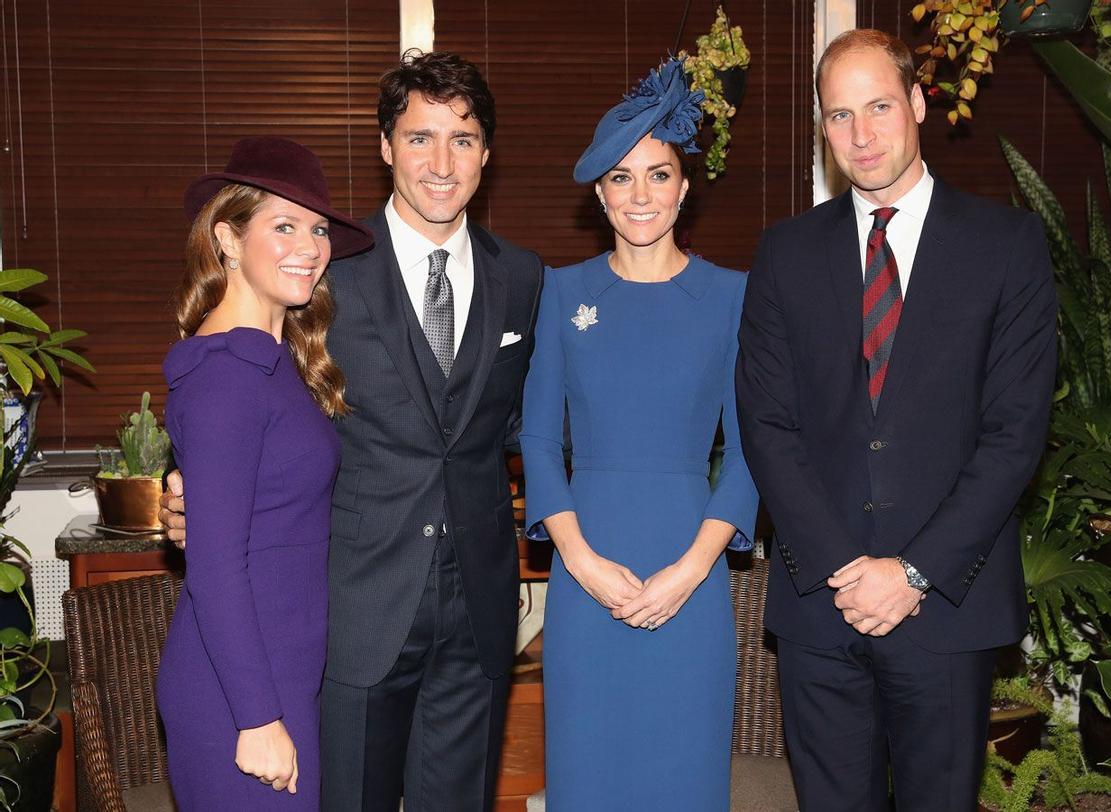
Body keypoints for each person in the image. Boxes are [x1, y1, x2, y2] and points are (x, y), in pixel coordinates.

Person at [159, 51, 543, 811]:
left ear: (487, 156)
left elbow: (526, 423)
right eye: (419, 137)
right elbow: (229, 393)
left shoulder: (523, 277)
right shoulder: (319, 269)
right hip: (352, 616)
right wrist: (183, 501)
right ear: (384, 146)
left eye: (462, 140)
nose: (441, 162)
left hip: (479, 614)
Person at [735, 29, 1057, 811]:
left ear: (916, 103)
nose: (862, 135)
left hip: (948, 606)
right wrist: (849, 569)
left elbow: (1014, 433)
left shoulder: (1006, 245)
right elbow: (766, 425)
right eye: (839, 116)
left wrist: (911, 574)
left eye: (879, 106)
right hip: (822, 606)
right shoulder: (783, 252)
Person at [520, 58, 759, 812]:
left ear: (685, 187)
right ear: (600, 193)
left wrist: (691, 570)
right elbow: (534, 438)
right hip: (584, 568)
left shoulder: (731, 298)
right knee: (589, 774)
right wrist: (581, 560)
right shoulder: (562, 293)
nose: (640, 195)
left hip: (693, 568)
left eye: (658, 175)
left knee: (682, 773)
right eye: (621, 179)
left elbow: (752, 450)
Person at [158, 136, 374, 809]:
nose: (309, 246)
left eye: (316, 228)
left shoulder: (275, 362)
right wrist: (256, 716)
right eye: (283, 226)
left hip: (281, 671)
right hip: (240, 694)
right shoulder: (227, 376)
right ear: (227, 237)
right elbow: (216, 567)